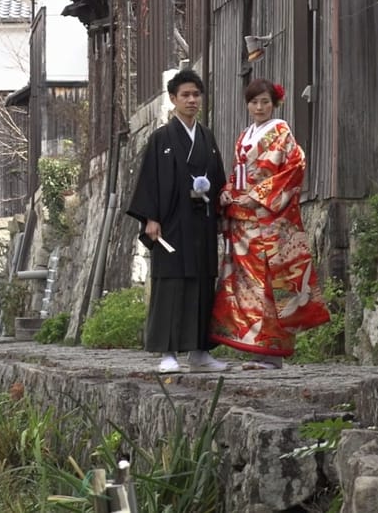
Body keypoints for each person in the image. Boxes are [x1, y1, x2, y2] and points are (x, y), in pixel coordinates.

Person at [210, 79, 331, 370]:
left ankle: (273, 353)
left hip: (269, 222)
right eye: (254, 102)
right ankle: (257, 349)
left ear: (274, 103)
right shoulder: (244, 136)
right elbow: (239, 173)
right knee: (248, 288)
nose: (259, 107)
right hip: (243, 224)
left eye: (265, 101)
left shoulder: (281, 131)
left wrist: (260, 195)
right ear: (247, 104)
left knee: (269, 285)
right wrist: (228, 192)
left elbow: (294, 167)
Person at [126, 69, 228, 374]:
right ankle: (167, 352)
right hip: (171, 223)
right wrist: (150, 219)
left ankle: (199, 351)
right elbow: (149, 181)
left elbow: (219, 179)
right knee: (170, 285)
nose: (192, 100)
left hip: (201, 222)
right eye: (185, 95)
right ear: (173, 99)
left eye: (196, 94)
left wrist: (222, 203)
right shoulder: (162, 138)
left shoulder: (207, 137)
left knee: (201, 282)